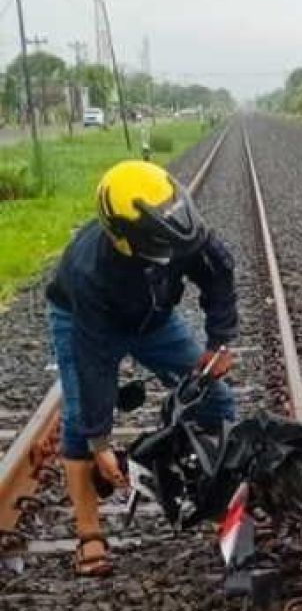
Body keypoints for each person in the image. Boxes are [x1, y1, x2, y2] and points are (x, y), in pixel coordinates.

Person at [46, 160, 238, 576]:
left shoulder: (183, 227)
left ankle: (219, 498)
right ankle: (89, 534)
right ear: (124, 237)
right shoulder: (88, 271)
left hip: (155, 319)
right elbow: (93, 359)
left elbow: (219, 274)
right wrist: (100, 443)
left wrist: (219, 341)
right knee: (81, 420)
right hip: (86, 320)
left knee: (216, 401)